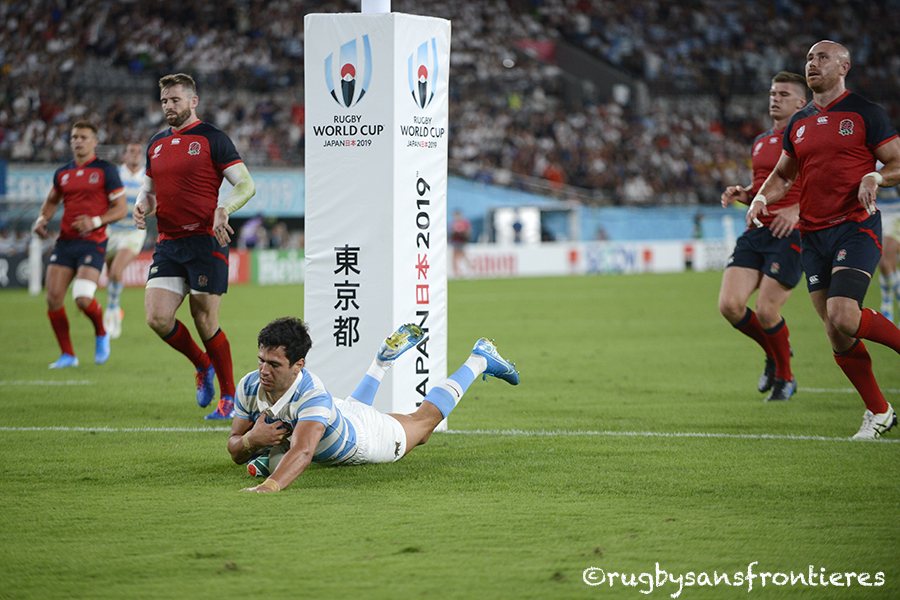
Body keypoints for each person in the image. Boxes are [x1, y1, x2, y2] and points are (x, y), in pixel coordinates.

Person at [747, 40, 900, 439]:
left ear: (844, 66)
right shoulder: (799, 123)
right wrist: (762, 197)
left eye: (822, 57)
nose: (812, 63)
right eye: (809, 58)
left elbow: (897, 161)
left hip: (855, 226)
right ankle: (879, 411)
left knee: (845, 315)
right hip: (813, 236)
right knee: (836, 330)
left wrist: (875, 175)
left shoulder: (865, 113)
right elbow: (784, 174)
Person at [228, 319, 519, 493]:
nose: (264, 370)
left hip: (365, 439)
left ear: (298, 365)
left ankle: (480, 359)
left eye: (274, 364)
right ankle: (381, 363)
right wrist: (251, 439)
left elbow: (303, 453)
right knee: (345, 417)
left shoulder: (312, 395)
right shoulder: (249, 385)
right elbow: (234, 447)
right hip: (341, 414)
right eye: (261, 360)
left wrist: (268, 487)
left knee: (424, 424)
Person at [133, 73, 256, 420]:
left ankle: (229, 396)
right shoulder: (156, 144)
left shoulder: (212, 138)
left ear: (193, 101)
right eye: (164, 101)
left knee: (204, 319)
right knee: (157, 318)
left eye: (175, 100)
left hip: (206, 240)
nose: (168, 106)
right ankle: (202, 364)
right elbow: (149, 191)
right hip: (169, 242)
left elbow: (246, 185)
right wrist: (141, 204)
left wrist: (224, 208)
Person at [719, 72, 808, 401]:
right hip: (757, 229)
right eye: (772, 93)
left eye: (783, 94)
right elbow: (764, 187)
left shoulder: (809, 137)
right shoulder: (761, 141)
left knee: (767, 309)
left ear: (801, 103)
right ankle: (773, 352)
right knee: (730, 305)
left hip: (791, 232)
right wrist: (745, 194)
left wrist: (796, 209)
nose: (775, 99)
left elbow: (826, 185)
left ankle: (786, 377)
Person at [32, 120, 127, 368]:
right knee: (53, 299)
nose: (78, 141)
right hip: (66, 242)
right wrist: (42, 219)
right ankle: (68, 355)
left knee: (83, 298)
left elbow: (121, 209)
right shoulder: (63, 172)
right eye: (74, 137)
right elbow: (52, 201)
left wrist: (94, 221)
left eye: (84, 137)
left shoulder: (106, 170)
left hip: (93, 242)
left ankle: (102, 332)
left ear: (95, 142)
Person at [102, 142, 148, 339]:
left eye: (138, 152)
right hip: (112, 230)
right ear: (124, 155)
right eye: (131, 151)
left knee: (116, 271)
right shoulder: (115, 175)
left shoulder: (147, 177)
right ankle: (114, 307)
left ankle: (112, 311)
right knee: (111, 273)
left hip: (133, 231)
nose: (135, 155)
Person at [449, 210, 473, 278]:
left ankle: (470, 270)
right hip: (455, 242)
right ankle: (456, 273)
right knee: (455, 257)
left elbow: (468, 231)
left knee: (463, 256)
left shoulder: (464, 223)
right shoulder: (453, 223)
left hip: (461, 242)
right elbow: (451, 232)